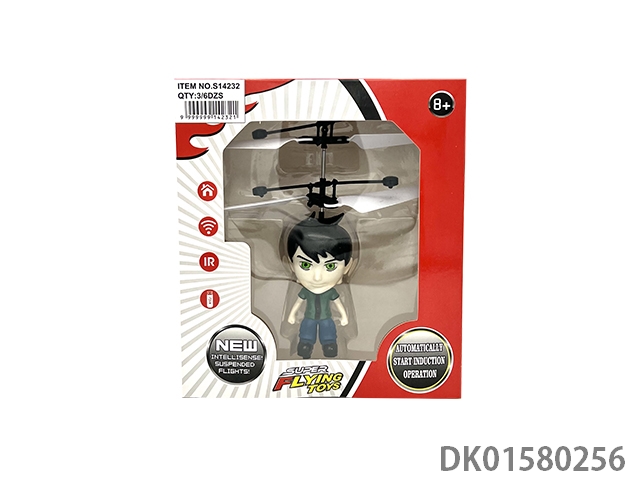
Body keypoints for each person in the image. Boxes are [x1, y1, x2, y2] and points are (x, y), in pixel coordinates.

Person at [286, 214, 353, 358]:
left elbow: (338, 303)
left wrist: (344, 316)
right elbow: (298, 303)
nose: (317, 278)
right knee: (306, 332)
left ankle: (329, 345)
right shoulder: (306, 291)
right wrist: (291, 315)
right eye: (305, 265)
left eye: (330, 266)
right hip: (308, 318)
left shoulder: (330, 292)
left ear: (347, 267)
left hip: (326, 318)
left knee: (328, 332)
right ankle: (305, 345)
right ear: (291, 266)